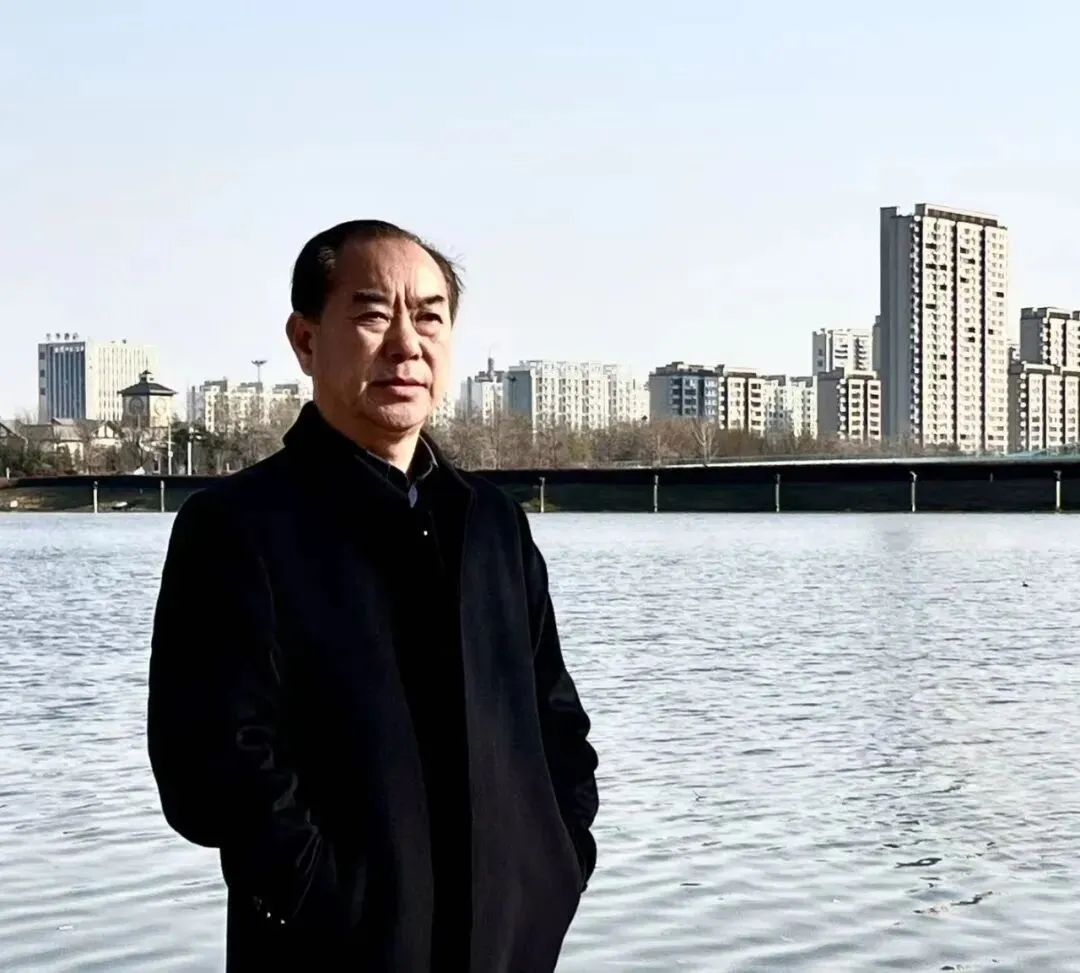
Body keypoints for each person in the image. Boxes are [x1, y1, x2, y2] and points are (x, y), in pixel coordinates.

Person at [146, 220, 599, 972]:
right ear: (305, 339)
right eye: (372, 314)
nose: (406, 345)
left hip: (509, 949)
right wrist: (327, 902)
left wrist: (557, 866)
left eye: (429, 317)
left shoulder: (492, 524)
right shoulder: (237, 527)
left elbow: (559, 725)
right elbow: (210, 767)